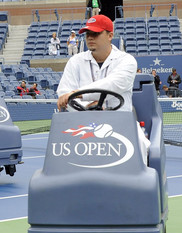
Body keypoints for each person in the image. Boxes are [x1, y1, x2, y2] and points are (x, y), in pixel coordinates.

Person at [56, 14, 149, 163]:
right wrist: (87, 106)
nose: (90, 37)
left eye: (96, 33)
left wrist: (78, 95)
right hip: (83, 123)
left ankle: (140, 182)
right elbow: (64, 93)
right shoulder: (75, 61)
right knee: (59, 147)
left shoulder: (126, 60)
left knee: (141, 144)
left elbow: (114, 84)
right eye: (88, 34)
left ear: (110, 35)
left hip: (121, 121)